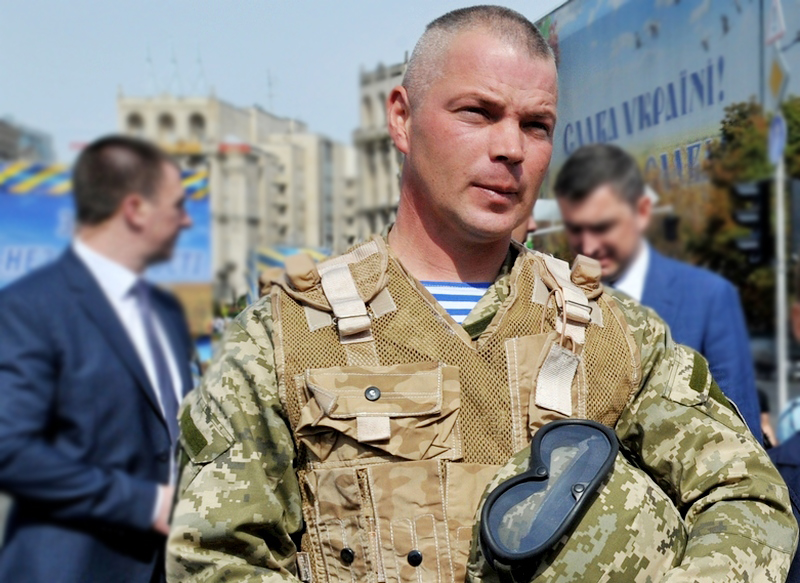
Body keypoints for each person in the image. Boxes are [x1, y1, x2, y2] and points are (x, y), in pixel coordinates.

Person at [167, 6, 796, 583]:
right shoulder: (286, 338)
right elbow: (215, 558)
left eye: (536, 125)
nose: (510, 148)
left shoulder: (617, 336)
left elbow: (748, 496)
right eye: (477, 112)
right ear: (402, 118)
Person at [0, 135, 194, 583]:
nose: (186, 220)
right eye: (177, 205)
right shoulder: (29, 308)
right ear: (135, 210)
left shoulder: (166, 312)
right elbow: (11, 450)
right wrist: (148, 503)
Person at [554, 143, 762, 441]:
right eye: (576, 229)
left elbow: (743, 436)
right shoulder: (562, 298)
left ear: (641, 212)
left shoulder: (708, 298)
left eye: (602, 227)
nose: (588, 245)